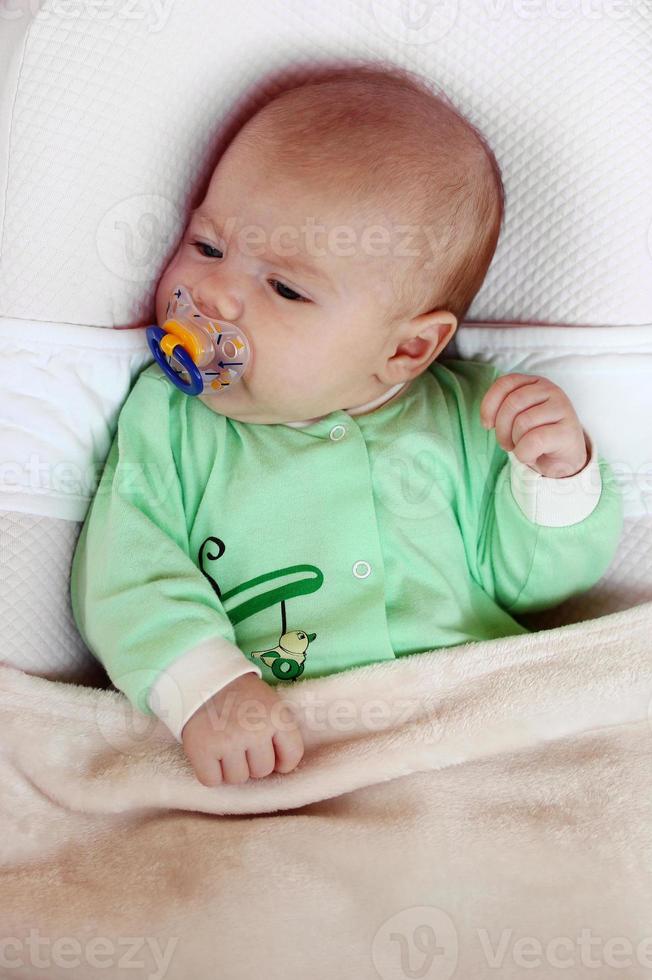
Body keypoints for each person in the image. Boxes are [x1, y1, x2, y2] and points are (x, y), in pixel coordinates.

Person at [70, 64, 623, 788]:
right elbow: (121, 568)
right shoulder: (173, 420)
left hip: (473, 720)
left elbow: (533, 583)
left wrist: (554, 474)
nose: (213, 294)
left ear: (405, 349)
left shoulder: (470, 412)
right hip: (284, 734)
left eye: (287, 287)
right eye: (208, 246)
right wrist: (202, 685)